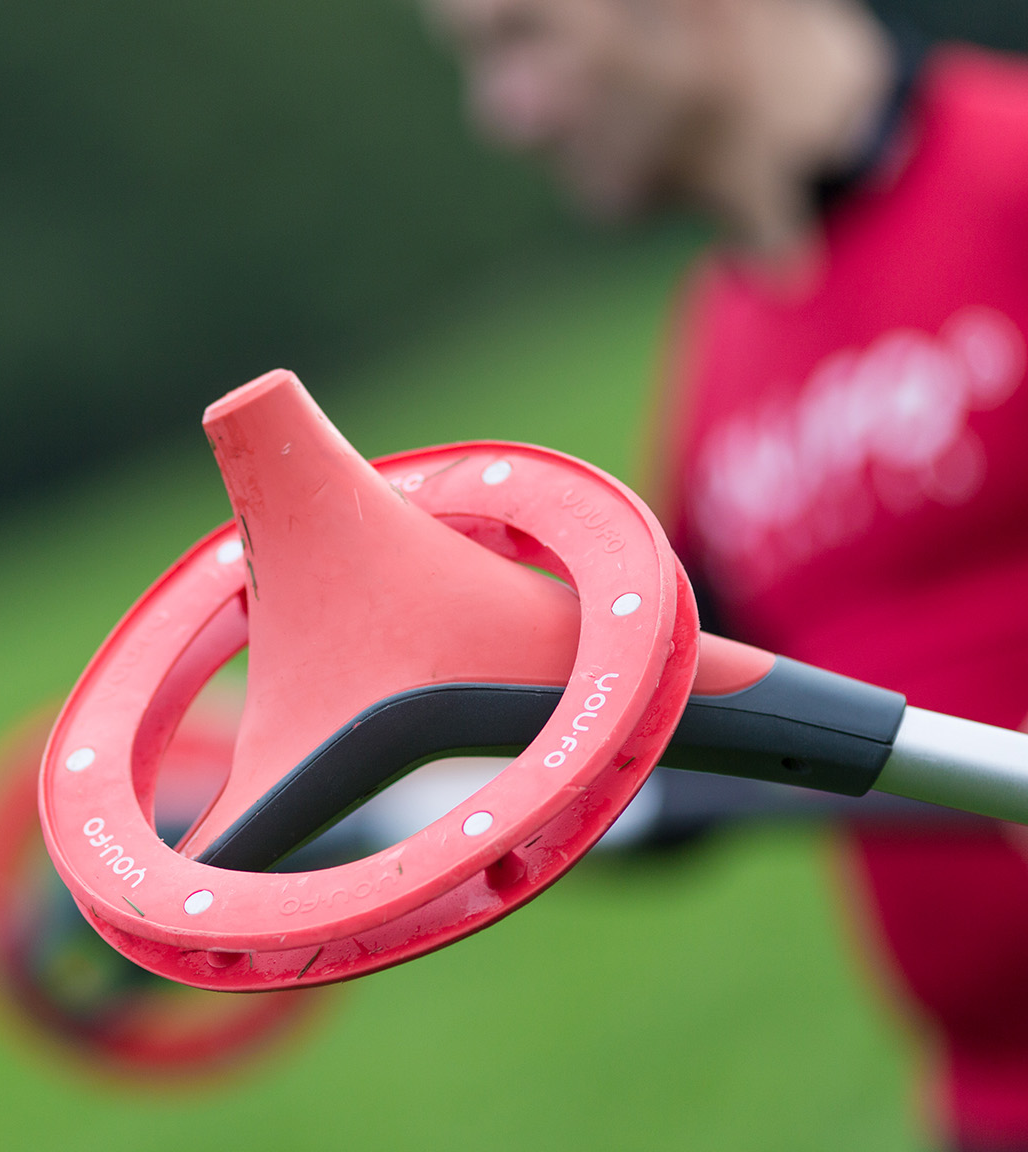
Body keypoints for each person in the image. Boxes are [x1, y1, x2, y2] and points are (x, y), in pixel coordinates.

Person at [425, 1, 1028, 1148]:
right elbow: (652, 738)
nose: (507, 114)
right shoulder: (722, 338)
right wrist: (317, 772)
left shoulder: (1013, 171)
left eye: (524, 37)